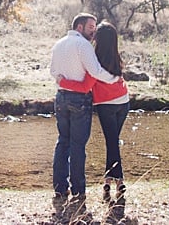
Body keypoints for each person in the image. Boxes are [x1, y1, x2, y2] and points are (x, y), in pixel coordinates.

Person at [50, 13, 119, 207]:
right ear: (79, 27)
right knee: (77, 145)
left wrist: (65, 82)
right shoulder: (83, 45)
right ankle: (78, 190)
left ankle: (59, 188)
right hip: (79, 100)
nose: (94, 30)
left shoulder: (58, 44)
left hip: (60, 97)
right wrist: (114, 79)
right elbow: (96, 72)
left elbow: (53, 72)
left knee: (62, 141)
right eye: (91, 26)